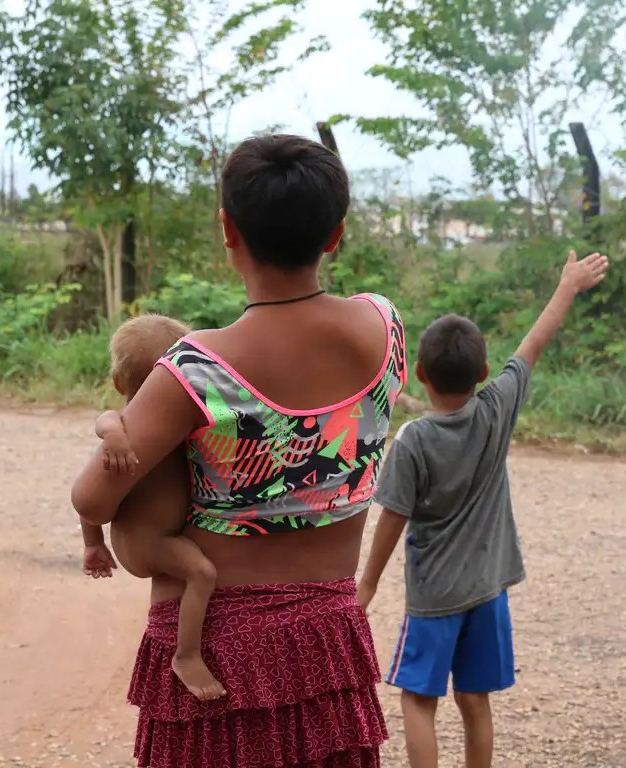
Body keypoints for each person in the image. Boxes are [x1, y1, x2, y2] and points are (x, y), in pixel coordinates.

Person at [70, 133, 406, 768]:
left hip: (217, 655)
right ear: (334, 235)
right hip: (327, 644)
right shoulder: (384, 326)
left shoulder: (196, 370)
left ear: (229, 229)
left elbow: (93, 496)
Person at [356, 250, 610, 768]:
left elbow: (393, 518)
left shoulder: (413, 441)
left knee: (418, 701)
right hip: (488, 591)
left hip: (433, 598)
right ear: (485, 372)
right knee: (475, 700)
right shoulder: (498, 409)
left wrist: (367, 584)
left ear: (420, 374)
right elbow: (535, 341)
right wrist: (568, 284)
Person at [78, 313, 226, 702]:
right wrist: (112, 435)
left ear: (118, 380)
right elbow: (105, 424)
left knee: (193, 575)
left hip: (158, 534)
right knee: (202, 573)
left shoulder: (182, 422)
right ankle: (186, 654)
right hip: (145, 541)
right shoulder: (124, 428)